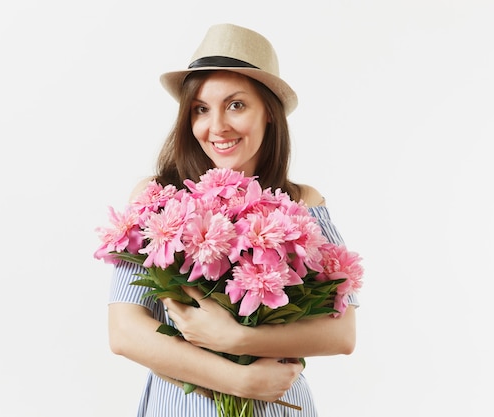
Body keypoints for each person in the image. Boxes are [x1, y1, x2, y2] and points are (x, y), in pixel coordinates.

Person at [107, 23, 358, 417]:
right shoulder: (157, 197)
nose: (217, 126)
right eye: (201, 109)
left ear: (269, 113)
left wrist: (236, 338)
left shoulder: (303, 202)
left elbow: (341, 333)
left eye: (236, 105)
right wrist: (239, 381)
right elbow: (125, 333)